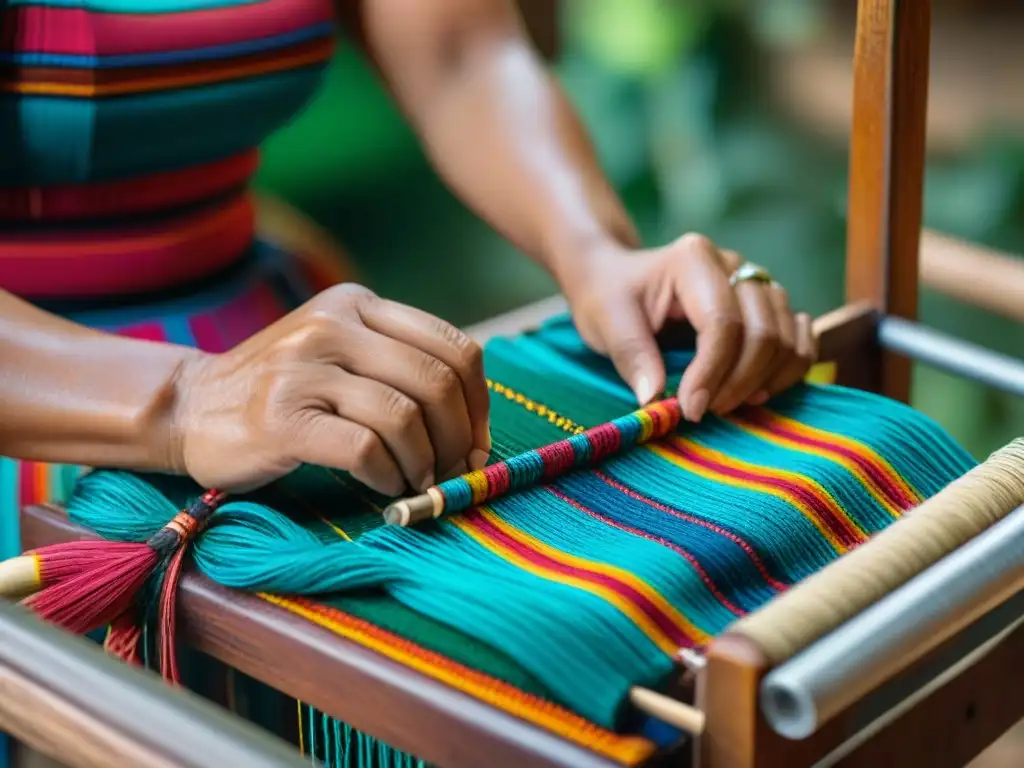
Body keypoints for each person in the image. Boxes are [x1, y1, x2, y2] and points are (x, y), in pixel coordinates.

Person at [0, 0, 815, 546]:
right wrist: (186, 400)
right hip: (44, 408)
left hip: (268, 345)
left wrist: (594, 249)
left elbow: (461, 54)